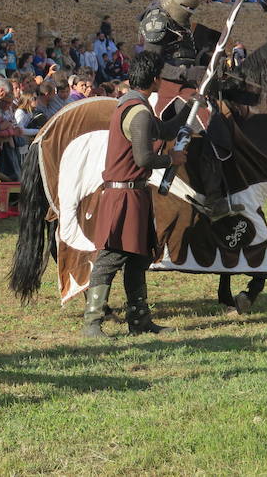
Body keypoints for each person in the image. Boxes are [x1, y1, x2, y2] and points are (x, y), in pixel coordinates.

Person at [83, 52, 189, 338]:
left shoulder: (135, 106)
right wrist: (172, 160)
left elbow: (164, 129)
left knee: (139, 258)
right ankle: (92, 324)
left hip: (135, 195)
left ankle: (140, 321)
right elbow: (144, 159)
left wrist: (188, 108)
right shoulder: (138, 112)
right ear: (154, 80)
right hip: (123, 197)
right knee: (110, 258)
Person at [138, 0, 239, 220]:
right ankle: (212, 195)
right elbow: (154, 65)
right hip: (163, 85)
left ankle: (220, 187)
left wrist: (211, 62)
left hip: (186, 85)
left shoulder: (179, 19)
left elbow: (188, 50)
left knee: (223, 119)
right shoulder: (157, 20)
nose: (188, 11)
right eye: (186, 6)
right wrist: (191, 72)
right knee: (206, 120)